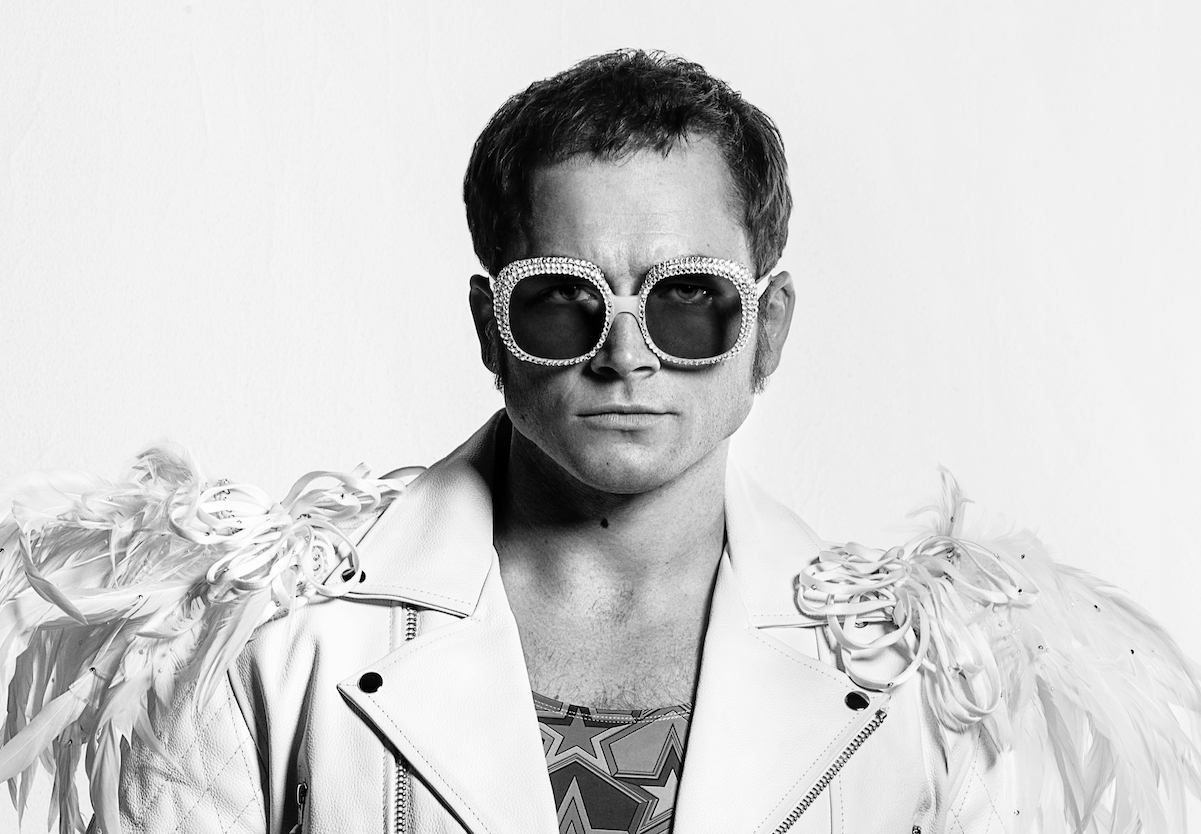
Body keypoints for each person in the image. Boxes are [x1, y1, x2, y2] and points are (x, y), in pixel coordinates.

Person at [2, 49, 1198, 834]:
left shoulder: (935, 676)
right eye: (562, 300)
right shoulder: (262, 640)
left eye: (689, 300)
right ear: (492, 327)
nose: (627, 355)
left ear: (767, 329)